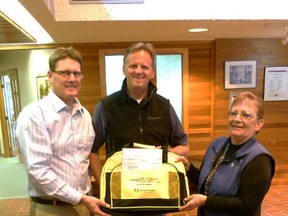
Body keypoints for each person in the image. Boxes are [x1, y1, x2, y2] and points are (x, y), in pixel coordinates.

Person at [89, 42, 189, 214]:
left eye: (145, 66)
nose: (138, 71)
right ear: (124, 69)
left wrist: (166, 154)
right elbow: (91, 150)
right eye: (133, 65)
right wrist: (104, 185)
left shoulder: (164, 106)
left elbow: (184, 146)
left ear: (152, 72)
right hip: (120, 201)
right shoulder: (106, 107)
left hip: (157, 199)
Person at [15, 47, 110, 216]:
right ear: (50, 76)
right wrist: (80, 198)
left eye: (77, 73)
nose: (72, 79)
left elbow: (84, 159)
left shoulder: (84, 115)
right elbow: (38, 171)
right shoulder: (35, 115)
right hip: (51, 209)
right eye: (65, 73)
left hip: (85, 207)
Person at [176, 92, 275, 216]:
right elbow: (207, 182)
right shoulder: (217, 145)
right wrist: (188, 168)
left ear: (258, 124)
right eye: (233, 113)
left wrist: (206, 201)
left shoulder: (259, 159)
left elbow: (247, 205)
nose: (237, 119)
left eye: (246, 115)